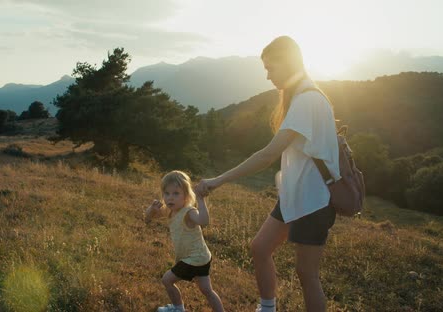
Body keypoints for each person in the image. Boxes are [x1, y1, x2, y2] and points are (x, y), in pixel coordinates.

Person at [195, 36, 340, 312]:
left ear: (288, 62)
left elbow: (267, 155)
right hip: (295, 195)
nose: (267, 76)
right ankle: (267, 307)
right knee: (260, 248)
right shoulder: (301, 96)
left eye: (271, 68)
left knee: (307, 274)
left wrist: (218, 180)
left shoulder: (307, 99)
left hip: (314, 200)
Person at [145, 170, 225, 312]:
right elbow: (147, 219)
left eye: (176, 193)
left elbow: (204, 221)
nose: (170, 198)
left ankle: (178, 308)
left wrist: (201, 200)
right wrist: (152, 209)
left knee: (167, 280)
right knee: (207, 290)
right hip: (202, 257)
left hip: (192, 259)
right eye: (167, 193)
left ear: (186, 196)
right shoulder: (170, 210)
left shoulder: (189, 212)